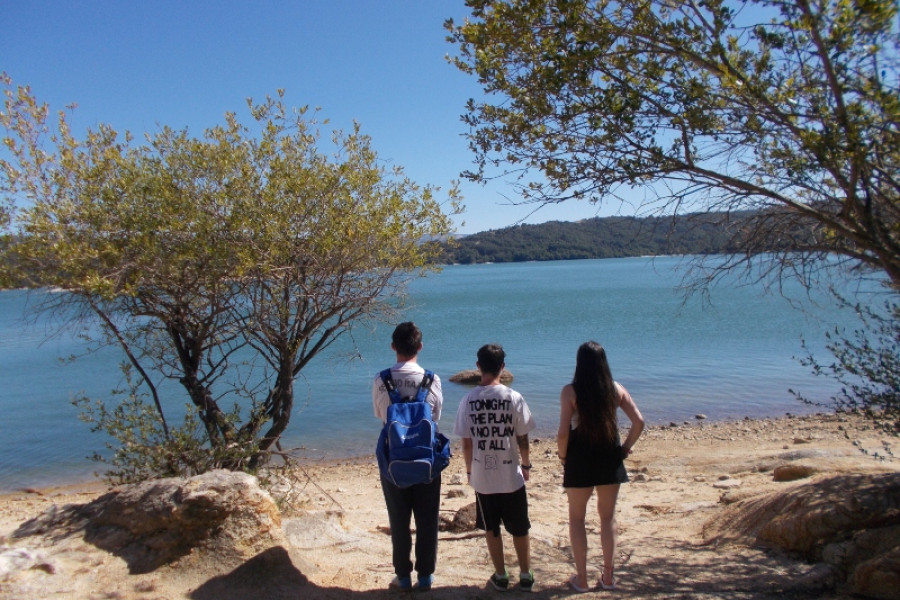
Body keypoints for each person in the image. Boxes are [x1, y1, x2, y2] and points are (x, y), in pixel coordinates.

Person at [557, 341, 645, 593]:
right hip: (609, 456)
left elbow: (563, 432)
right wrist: (625, 448)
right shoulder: (615, 390)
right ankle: (608, 578)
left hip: (579, 458)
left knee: (577, 519)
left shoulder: (570, 392)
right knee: (607, 518)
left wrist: (563, 457)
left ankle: (582, 579)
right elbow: (638, 421)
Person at [453, 344, 536, 592]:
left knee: (491, 527)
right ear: (503, 367)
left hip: (483, 477)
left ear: (478, 366)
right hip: (511, 474)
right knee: (520, 527)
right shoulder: (514, 398)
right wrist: (526, 464)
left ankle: (500, 575)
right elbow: (522, 437)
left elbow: (466, 442)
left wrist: (469, 471)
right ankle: (524, 574)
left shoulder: (468, 400)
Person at [372, 322, 444, 592]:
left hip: (393, 461)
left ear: (393, 347)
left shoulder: (382, 380)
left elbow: (381, 415)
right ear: (420, 347)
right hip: (426, 459)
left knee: (398, 519)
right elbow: (435, 416)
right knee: (428, 518)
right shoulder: (431, 379)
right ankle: (425, 576)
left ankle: (403, 576)